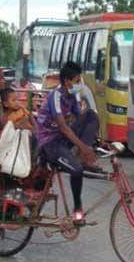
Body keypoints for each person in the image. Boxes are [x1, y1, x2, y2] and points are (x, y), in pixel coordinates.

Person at [36, 61, 101, 223]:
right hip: (49, 144)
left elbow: (80, 120)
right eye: (77, 81)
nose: (79, 84)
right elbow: (64, 128)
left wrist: (95, 142)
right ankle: (77, 209)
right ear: (67, 81)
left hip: (62, 140)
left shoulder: (72, 96)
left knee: (92, 115)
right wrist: (85, 148)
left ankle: (80, 155)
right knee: (77, 171)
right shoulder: (55, 96)